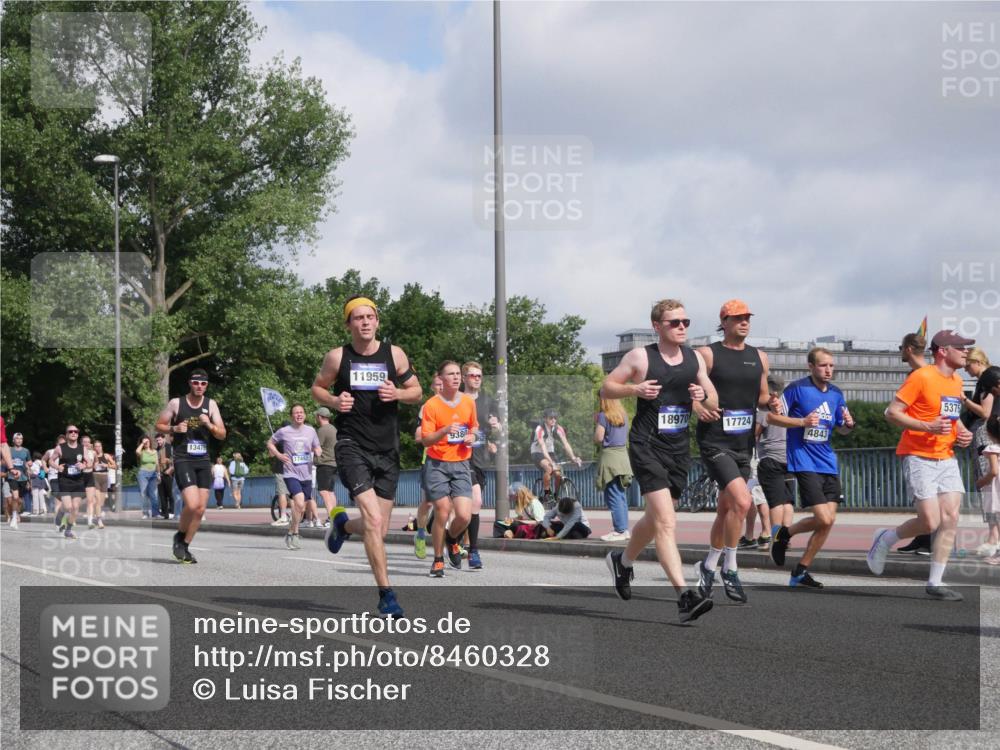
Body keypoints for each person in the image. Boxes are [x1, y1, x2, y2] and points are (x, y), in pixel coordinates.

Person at [602, 298, 718, 623]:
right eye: (674, 322)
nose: (681, 327)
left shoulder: (695, 358)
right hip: (646, 445)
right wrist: (635, 389)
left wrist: (702, 397)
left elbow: (713, 398)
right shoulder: (641, 356)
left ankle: (622, 562)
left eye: (685, 322)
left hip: (678, 449)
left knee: (655, 521)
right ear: (658, 326)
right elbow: (607, 387)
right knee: (667, 522)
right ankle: (684, 596)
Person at [312, 295, 422, 618]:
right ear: (348, 324)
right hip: (351, 446)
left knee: (380, 528)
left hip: (387, 449)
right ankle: (387, 595)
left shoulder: (394, 354)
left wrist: (398, 393)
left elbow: (417, 392)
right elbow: (317, 388)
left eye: (369, 317)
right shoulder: (337, 358)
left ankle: (343, 527)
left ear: (377, 321)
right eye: (357, 318)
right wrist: (334, 403)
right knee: (373, 521)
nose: (364, 322)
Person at [867, 330, 975, 600]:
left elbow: (950, 417)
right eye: (960, 347)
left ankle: (935, 582)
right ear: (942, 351)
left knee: (950, 518)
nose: (966, 352)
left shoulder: (957, 382)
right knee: (930, 522)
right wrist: (926, 425)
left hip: (946, 457)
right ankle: (886, 539)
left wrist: (962, 431)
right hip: (917, 454)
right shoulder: (921, 377)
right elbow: (893, 412)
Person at [693, 299, 771, 604]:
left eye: (747, 317)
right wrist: (698, 406)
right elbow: (688, 390)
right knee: (743, 500)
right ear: (723, 321)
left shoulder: (760, 358)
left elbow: (762, 397)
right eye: (738, 318)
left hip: (743, 444)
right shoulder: (707, 355)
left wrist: (772, 402)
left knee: (727, 509)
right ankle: (731, 567)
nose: (744, 322)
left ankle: (708, 565)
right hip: (714, 442)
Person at [766, 348, 855, 588]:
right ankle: (785, 536)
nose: (828, 370)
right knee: (823, 517)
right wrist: (802, 422)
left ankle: (799, 567)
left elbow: (842, 429)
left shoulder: (836, 393)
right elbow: (773, 418)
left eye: (831, 366)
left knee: (829, 521)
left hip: (828, 462)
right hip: (803, 460)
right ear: (811, 367)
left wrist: (848, 424)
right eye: (823, 365)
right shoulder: (797, 389)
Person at [156, 367, 227, 564]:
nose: (199, 386)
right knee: (193, 504)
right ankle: (179, 535)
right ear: (190, 383)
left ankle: (184, 544)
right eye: (196, 382)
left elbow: (222, 434)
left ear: (206, 386)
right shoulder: (176, 403)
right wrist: (174, 428)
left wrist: (209, 424)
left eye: (203, 383)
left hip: (203, 460)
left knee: (201, 508)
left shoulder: (210, 405)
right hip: (183, 459)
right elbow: (159, 425)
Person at [420, 361, 478, 577]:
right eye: (450, 374)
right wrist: (444, 430)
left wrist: (472, 436)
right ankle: (437, 560)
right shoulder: (432, 405)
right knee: (443, 511)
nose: (455, 377)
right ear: (441, 379)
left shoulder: (468, 402)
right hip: (437, 464)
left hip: (462, 462)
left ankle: (452, 539)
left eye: (457, 374)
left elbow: (474, 426)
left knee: (464, 516)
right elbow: (426, 440)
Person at [895, 332, 933, 555]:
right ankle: (923, 539)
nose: (900, 351)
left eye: (901, 347)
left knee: (930, 502)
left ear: (908, 348)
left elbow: (894, 412)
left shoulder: (922, 375)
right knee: (927, 501)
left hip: (923, 447)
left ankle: (929, 542)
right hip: (926, 445)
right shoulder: (929, 374)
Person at [460, 361, 499, 570]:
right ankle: (473, 550)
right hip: (458, 457)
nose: (476, 379)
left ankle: (457, 541)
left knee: (468, 508)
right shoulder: (455, 400)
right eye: (473, 375)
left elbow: (496, 425)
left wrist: (496, 427)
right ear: (464, 378)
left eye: (479, 376)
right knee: (475, 501)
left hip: (481, 458)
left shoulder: (488, 401)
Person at [268, 404, 321, 549]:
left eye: (301, 412)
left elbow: (317, 447)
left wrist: (318, 452)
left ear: (305, 414)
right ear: (292, 416)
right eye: (296, 412)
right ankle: (295, 534)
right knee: (299, 502)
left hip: (307, 474)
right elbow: (270, 443)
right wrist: (279, 455)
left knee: (301, 508)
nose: (299, 414)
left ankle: (292, 532)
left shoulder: (311, 431)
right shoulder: (284, 431)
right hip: (291, 472)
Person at [755, 375, 795, 544]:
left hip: (770, 458)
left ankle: (777, 538)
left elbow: (755, 434)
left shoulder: (765, 410)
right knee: (788, 499)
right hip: (790, 458)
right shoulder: (789, 407)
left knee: (775, 501)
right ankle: (786, 538)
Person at [413, 374, 443, 560]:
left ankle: (452, 542)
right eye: (438, 384)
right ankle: (421, 534)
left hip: (453, 459)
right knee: (429, 502)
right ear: (432, 387)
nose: (441, 387)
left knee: (454, 503)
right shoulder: (428, 406)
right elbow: (419, 434)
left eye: (443, 383)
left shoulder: (457, 403)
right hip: (431, 459)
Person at [594, 397, 633, 541]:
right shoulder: (623, 415)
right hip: (623, 457)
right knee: (620, 495)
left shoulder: (604, 416)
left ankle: (619, 530)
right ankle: (624, 529)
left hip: (610, 458)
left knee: (613, 495)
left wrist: (597, 423)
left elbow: (599, 437)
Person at [530, 408, 582, 501]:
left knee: (558, 474)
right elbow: (543, 448)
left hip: (550, 451)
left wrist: (573, 457)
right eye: (551, 418)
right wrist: (551, 463)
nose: (553, 420)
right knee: (549, 468)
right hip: (537, 452)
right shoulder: (540, 429)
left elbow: (566, 444)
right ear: (545, 419)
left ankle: (555, 496)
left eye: (555, 418)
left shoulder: (559, 428)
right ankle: (546, 493)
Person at [52, 424, 87, 538]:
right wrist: (57, 467)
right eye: (71, 431)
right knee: (68, 507)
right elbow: (50, 461)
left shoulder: (83, 448)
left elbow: (89, 462)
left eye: (76, 432)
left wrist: (84, 465)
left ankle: (68, 530)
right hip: (65, 480)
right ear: (66, 434)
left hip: (78, 481)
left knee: (75, 507)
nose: (73, 433)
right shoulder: (60, 448)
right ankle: (59, 515)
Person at [977, 416, 1000, 560]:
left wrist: (981, 482)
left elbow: (993, 471)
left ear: (989, 433)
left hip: (995, 488)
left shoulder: (992, 449)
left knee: (996, 519)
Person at [739, 456, 772, 550]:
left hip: (753, 457)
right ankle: (757, 535)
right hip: (760, 457)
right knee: (756, 495)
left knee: (756, 495)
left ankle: (764, 535)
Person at [6, 432, 30, 529]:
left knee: (19, 500)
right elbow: (3, 461)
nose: (19, 440)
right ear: (13, 440)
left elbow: (28, 464)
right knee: (15, 497)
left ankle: (16, 513)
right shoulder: (9, 450)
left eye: (21, 439)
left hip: (23, 478)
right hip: (13, 477)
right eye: (17, 438)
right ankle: (14, 517)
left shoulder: (26, 451)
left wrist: (29, 480)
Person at [136, 436, 160, 519]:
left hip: (153, 474)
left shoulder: (155, 451)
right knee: (144, 494)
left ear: (150, 442)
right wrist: (142, 443)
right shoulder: (142, 452)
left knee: (154, 494)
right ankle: (145, 513)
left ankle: (155, 513)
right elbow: (137, 451)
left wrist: (158, 474)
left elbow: (157, 463)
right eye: (145, 442)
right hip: (143, 473)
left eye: (147, 442)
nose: (146, 443)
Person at [91, 440, 112, 529]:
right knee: (98, 500)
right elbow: (87, 467)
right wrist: (93, 466)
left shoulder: (106, 456)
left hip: (104, 478)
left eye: (99, 446)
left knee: (101, 502)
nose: (98, 448)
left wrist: (106, 465)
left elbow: (115, 466)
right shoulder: (92, 456)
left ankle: (94, 515)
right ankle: (99, 521)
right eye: (96, 446)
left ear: (102, 447)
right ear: (94, 447)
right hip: (95, 477)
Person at [156, 434, 176, 520]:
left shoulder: (170, 447)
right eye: (157, 440)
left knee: (170, 494)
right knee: (162, 495)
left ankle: (172, 511)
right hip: (160, 474)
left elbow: (175, 459)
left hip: (169, 474)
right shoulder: (157, 450)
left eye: (160, 440)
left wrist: (170, 469)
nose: (158, 442)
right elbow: (156, 463)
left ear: (164, 439)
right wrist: (157, 473)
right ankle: (165, 513)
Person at [29, 452, 49, 516]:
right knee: (41, 496)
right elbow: (44, 472)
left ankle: (35, 511)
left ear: (34, 457)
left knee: (35, 496)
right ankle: (42, 511)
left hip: (35, 480)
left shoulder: (33, 464)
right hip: (41, 480)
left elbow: (31, 473)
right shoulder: (42, 462)